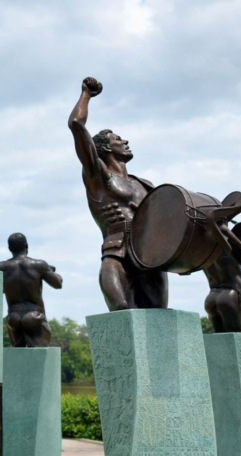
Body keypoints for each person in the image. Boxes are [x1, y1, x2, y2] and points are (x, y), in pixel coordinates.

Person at [68, 77, 168, 311]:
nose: (125, 141)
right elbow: (76, 125)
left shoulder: (145, 184)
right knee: (122, 312)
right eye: (118, 139)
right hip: (117, 254)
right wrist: (86, 95)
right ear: (104, 148)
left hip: (149, 257)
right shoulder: (99, 177)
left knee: (158, 318)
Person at [0, 233, 63, 347]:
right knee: (41, 356)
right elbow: (58, 284)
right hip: (34, 316)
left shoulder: (0, 268)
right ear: (27, 246)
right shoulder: (39, 265)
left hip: (13, 317)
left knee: (18, 356)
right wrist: (49, 271)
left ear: (9, 248)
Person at [204, 253, 241, 333]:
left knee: (219, 336)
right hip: (232, 291)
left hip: (212, 295)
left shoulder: (204, 249)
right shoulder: (229, 245)